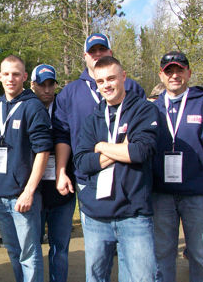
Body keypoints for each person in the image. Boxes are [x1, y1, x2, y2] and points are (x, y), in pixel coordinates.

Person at [74, 56, 159, 281]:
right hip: (96, 216)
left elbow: (141, 152)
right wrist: (119, 150)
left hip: (133, 214)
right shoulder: (93, 118)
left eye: (111, 78)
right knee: (95, 278)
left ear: (123, 77)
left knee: (142, 277)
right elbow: (81, 161)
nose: (106, 85)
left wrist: (100, 147)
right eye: (100, 81)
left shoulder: (143, 110)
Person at [53, 33, 145, 199]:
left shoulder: (131, 87)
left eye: (102, 49)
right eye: (92, 51)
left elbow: (142, 131)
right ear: (85, 56)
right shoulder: (69, 93)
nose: (97, 54)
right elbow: (62, 136)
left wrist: (104, 148)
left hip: (128, 174)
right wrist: (60, 172)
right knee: (93, 223)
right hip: (87, 176)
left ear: (110, 52)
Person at [0, 55, 53, 282]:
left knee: (29, 253)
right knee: (13, 252)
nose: (10, 79)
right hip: (0, 195)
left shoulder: (33, 107)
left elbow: (43, 152)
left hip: (23, 197)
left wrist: (29, 191)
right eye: (6, 74)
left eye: (16, 74)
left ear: (25, 77)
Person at [152, 51, 203, 282]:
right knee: (163, 255)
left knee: (199, 255)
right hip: (161, 196)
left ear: (188, 72)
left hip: (197, 196)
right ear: (161, 75)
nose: (174, 75)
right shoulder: (153, 107)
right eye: (169, 71)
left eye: (179, 70)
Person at [30, 64, 76, 282]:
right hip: (35, 192)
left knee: (60, 248)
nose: (47, 90)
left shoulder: (66, 108)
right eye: (42, 85)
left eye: (51, 84)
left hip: (62, 189)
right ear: (32, 85)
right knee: (33, 247)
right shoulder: (26, 108)